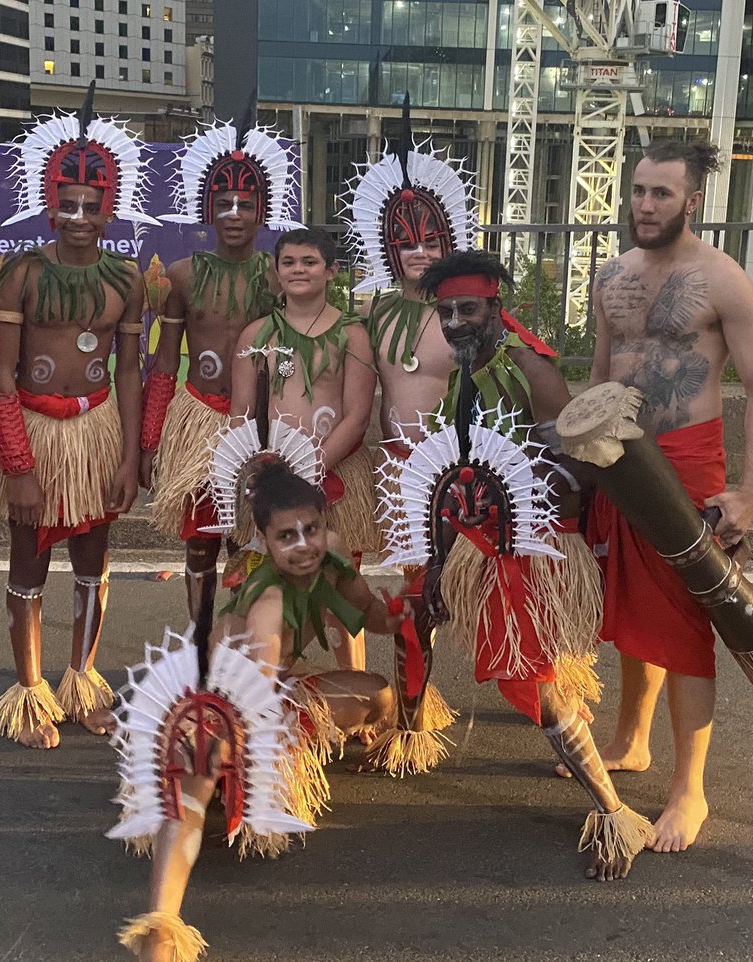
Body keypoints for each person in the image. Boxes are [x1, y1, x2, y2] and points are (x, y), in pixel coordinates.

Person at [380, 249, 653, 880]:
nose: (455, 322)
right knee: (413, 609)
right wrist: (444, 554)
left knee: (533, 682)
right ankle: (411, 734)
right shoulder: (467, 370)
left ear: (495, 307)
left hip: (531, 545)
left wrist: (518, 514)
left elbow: (577, 468)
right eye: (446, 312)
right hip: (477, 536)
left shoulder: (531, 368)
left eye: (468, 310)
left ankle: (616, 816)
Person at [111, 461, 400, 962]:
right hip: (219, 705)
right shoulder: (268, 601)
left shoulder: (331, 554)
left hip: (275, 693)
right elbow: (255, 696)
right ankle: (160, 927)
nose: (303, 544)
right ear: (264, 542)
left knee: (379, 697)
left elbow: (372, 614)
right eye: (286, 536)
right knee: (198, 779)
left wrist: (404, 613)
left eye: (311, 529)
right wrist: (246, 752)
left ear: (324, 522)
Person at [579, 139, 753, 852]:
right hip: (619, 457)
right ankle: (632, 738)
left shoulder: (723, 280)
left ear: (692, 200)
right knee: (635, 609)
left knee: (686, 622)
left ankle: (690, 789)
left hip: (687, 463)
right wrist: (583, 467)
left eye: (661, 193)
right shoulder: (612, 276)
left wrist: (747, 493)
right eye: (638, 190)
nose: (645, 204)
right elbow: (601, 374)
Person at [0, 93, 154, 748]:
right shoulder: (22, 274)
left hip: (97, 430)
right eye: (68, 204)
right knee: (28, 560)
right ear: (49, 205)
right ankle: (30, 693)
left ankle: (80, 680)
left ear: (110, 208)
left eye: (91, 205)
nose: (79, 218)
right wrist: (19, 468)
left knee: (92, 558)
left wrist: (130, 456)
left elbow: (130, 371)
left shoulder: (127, 279)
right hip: (35, 431)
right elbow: (1, 377)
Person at [340, 97, 478, 773]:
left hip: (451, 474)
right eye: (405, 241)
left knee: (434, 597)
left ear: (449, 241)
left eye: (430, 240)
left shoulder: (469, 310)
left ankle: (417, 715)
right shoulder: (370, 312)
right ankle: (385, 706)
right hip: (388, 468)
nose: (419, 251)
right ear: (386, 245)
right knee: (377, 588)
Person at [141, 119, 296, 629]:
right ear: (207, 209)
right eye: (223, 203)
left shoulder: (279, 277)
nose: (233, 214)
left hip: (259, 426)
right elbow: (165, 363)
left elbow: (292, 358)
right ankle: (201, 646)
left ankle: (248, 646)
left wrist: (289, 428)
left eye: (245, 205)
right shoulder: (182, 276)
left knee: (251, 543)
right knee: (201, 544)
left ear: (262, 212)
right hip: (199, 421)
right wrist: (150, 442)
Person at [229, 226, 380, 674]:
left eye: (309, 262)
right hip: (273, 480)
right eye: (289, 262)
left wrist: (312, 470)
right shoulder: (257, 334)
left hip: (335, 473)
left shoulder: (353, 335)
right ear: (276, 271)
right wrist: (256, 472)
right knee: (273, 588)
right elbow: (241, 414)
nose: (298, 270)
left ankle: (352, 683)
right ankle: (274, 682)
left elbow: (357, 415)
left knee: (338, 584)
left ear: (331, 271)